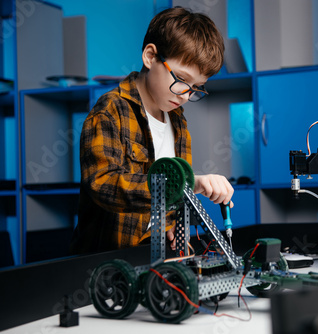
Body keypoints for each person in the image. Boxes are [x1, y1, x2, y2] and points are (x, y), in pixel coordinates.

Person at [69, 7, 233, 255]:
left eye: (196, 87)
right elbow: (103, 185)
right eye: (180, 78)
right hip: (108, 261)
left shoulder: (177, 121)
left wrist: (173, 225)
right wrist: (185, 184)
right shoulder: (110, 111)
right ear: (150, 56)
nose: (186, 95)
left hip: (154, 256)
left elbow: (174, 202)